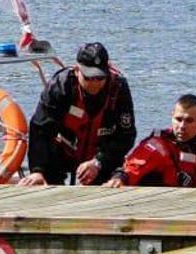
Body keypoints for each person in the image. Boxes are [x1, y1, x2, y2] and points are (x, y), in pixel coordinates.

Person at [18, 42, 136, 186]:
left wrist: (98, 161)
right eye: (88, 77)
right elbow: (40, 129)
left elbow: (126, 135)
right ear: (76, 70)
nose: (94, 83)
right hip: (64, 152)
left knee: (114, 179)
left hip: (102, 155)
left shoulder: (118, 89)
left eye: (100, 77)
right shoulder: (61, 86)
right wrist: (38, 170)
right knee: (47, 167)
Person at [107, 94, 196, 188]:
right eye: (178, 119)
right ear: (171, 116)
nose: (182, 126)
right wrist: (119, 178)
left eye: (189, 120)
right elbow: (131, 169)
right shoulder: (156, 147)